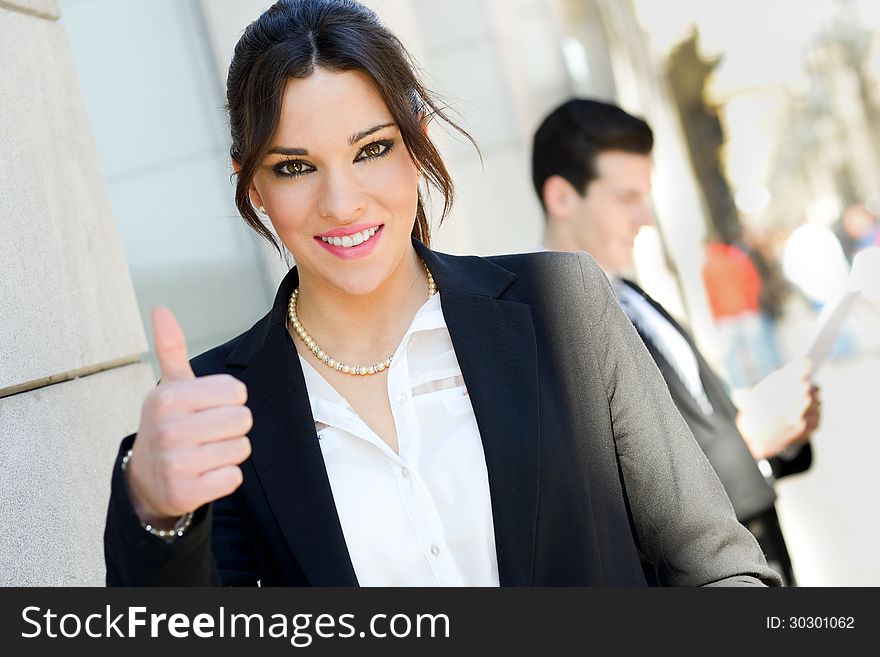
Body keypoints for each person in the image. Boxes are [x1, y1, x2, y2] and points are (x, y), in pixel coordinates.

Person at [104, 0, 779, 587]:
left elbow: (716, 564)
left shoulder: (563, 307)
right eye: (295, 167)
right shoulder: (223, 407)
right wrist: (156, 514)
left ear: (417, 143)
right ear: (253, 186)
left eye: (370, 149)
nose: (341, 202)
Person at [531, 98, 820, 585]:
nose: (645, 218)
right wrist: (749, 444)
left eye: (646, 195)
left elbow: (693, 421)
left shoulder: (632, 295)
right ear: (562, 197)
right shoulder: (545, 328)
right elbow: (606, 509)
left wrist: (777, 432)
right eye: (626, 198)